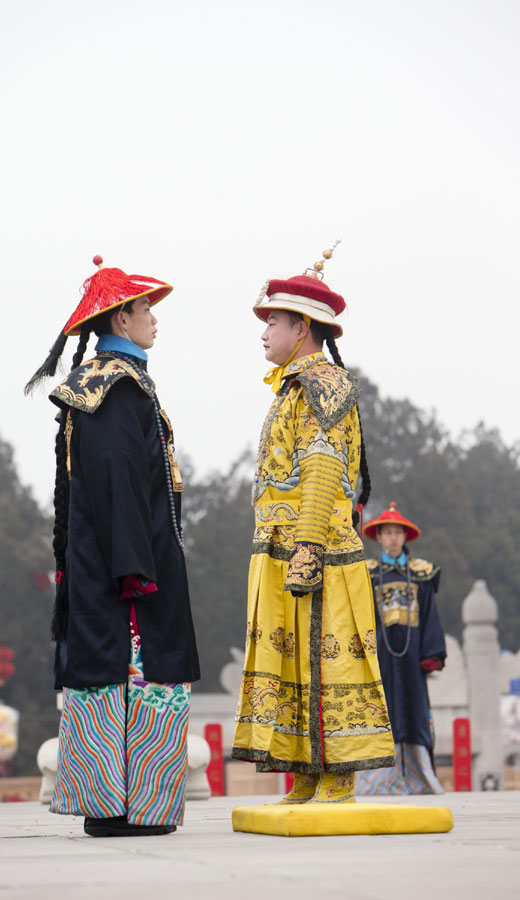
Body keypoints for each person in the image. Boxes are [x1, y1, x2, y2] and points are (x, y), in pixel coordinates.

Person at [25, 255, 200, 836]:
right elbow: (117, 478)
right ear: (122, 320)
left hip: (112, 561)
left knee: (114, 676)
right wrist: (135, 568)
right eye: (146, 308)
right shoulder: (116, 389)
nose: (155, 319)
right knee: (133, 675)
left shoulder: (113, 384)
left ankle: (115, 807)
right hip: (127, 571)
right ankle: (130, 810)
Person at [232, 247, 394, 804]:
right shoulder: (292, 384)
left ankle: (339, 775)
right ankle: (306, 770)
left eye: (272, 321)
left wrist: (307, 546)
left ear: (301, 327)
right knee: (294, 660)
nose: (264, 332)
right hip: (283, 545)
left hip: (314, 547)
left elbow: (324, 466)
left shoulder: (323, 383)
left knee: (329, 660)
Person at [356, 502, 446, 794]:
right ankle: (378, 783)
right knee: (382, 712)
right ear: (378, 537)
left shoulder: (422, 575)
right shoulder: (367, 575)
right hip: (379, 658)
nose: (393, 538)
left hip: (412, 661)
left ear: (405, 537)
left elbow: (431, 614)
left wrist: (431, 654)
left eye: (398, 533)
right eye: (387, 533)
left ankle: (420, 779)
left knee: (415, 713)